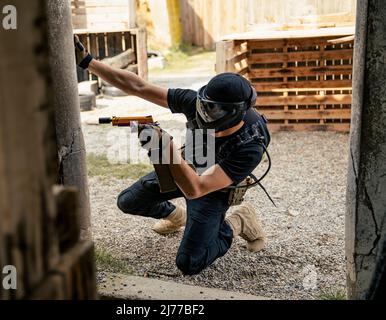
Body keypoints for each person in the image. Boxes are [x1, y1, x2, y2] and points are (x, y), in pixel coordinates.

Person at [75, 37, 271, 275]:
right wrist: (88, 62)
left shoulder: (250, 145)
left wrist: (165, 148)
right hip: (189, 165)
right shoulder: (197, 103)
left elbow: (196, 189)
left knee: (190, 262)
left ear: (237, 112)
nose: (206, 113)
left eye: (215, 109)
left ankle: (238, 221)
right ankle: (178, 217)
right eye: (206, 104)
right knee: (128, 201)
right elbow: (139, 87)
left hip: (212, 187)